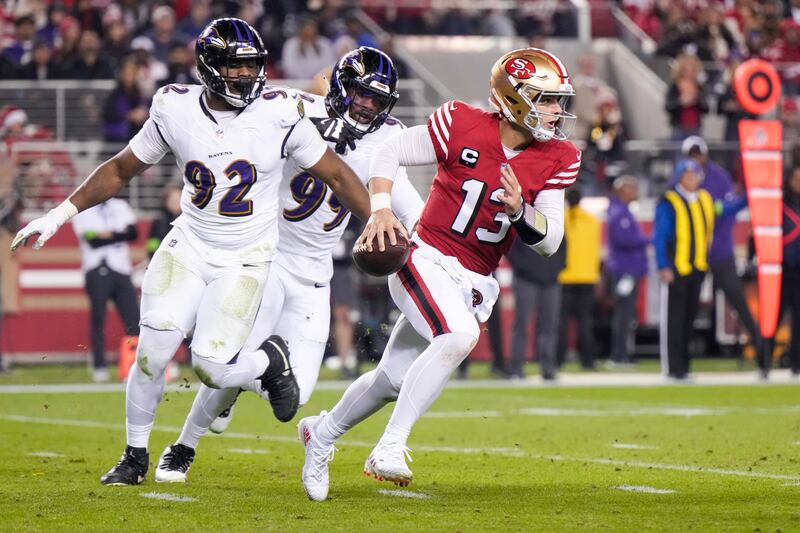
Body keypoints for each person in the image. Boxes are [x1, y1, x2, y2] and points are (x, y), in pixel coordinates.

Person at [11, 18, 371, 486]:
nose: (247, 75)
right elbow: (121, 169)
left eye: (252, 66)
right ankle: (134, 455)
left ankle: (268, 361)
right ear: (209, 67)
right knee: (152, 351)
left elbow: (337, 174)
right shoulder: (174, 107)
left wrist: (379, 217)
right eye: (236, 66)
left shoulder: (280, 113)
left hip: (246, 257)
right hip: (189, 244)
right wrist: (59, 213)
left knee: (211, 368)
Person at [298, 47, 580, 501]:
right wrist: (381, 209)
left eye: (557, 100)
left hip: (474, 278)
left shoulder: (559, 156)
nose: (555, 110)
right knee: (458, 336)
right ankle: (390, 445)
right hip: (425, 256)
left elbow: (549, 241)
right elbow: (389, 151)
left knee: (392, 380)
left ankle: (321, 433)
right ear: (514, 97)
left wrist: (519, 211)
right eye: (545, 99)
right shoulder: (461, 122)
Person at [153, 47, 423, 482]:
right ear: (340, 88)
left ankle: (249, 375)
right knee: (229, 362)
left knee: (297, 394)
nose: (366, 105)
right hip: (268, 257)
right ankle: (183, 447)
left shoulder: (387, 141)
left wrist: (420, 241)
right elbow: (238, 109)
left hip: (316, 274)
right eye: (359, 92)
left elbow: (411, 212)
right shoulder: (293, 109)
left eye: (377, 99)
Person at [681, 136, 760, 361]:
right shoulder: (682, 178)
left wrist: (720, 208)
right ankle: (680, 358)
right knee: (688, 303)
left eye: (699, 154)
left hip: (719, 250)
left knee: (737, 299)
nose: (696, 159)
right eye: (692, 155)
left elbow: (731, 207)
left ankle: (762, 351)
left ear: (705, 155)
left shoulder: (719, 177)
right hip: (694, 252)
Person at [654, 159, 714, 380]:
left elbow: (723, 212)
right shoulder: (669, 201)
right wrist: (663, 265)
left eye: (695, 174)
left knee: (689, 320)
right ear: (679, 177)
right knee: (675, 320)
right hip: (677, 269)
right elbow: (660, 236)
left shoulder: (704, 199)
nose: (692, 179)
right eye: (687, 175)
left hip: (698, 269)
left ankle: (685, 367)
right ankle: (672, 368)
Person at [72, 199, 140, 382]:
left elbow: (133, 233)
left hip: (121, 268)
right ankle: (99, 366)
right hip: (95, 268)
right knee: (98, 320)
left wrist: (108, 235)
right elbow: (91, 239)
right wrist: (118, 234)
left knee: (133, 320)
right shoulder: (84, 208)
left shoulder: (121, 206)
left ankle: (134, 365)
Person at [507, 234, 566, 380]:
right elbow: (510, 248)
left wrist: (557, 268)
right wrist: (523, 268)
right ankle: (516, 368)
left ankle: (548, 368)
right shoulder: (522, 222)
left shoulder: (554, 222)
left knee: (549, 326)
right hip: (526, 280)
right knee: (522, 324)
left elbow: (562, 244)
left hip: (551, 281)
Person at [606, 175, 649, 366]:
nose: (635, 191)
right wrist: (647, 239)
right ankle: (619, 355)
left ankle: (622, 353)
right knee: (623, 313)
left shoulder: (622, 211)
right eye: (631, 188)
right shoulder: (619, 213)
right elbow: (623, 240)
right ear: (621, 191)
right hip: (625, 270)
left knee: (626, 313)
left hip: (628, 270)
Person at [557, 188, 601, 370]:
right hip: (587, 277)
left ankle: (558, 360)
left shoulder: (561, 219)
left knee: (562, 322)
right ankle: (587, 361)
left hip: (565, 277)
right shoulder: (592, 221)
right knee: (585, 321)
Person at [781, 165, 800, 376]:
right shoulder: (782, 204)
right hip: (783, 269)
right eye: (796, 179)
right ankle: (764, 361)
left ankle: (797, 363)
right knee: (774, 316)